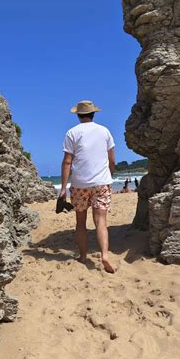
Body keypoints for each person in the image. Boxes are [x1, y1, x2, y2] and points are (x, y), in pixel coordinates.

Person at [60, 99, 116, 273]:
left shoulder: (72, 133)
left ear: (78, 115)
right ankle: (105, 255)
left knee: (81, 222)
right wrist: (109, 175)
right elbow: (111, 160)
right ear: (93, 114)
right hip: (101, 182)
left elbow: (67, 162)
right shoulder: (104, 131)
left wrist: (63, 188)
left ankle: (83, 256)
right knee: (101, 222)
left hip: (80, 184)